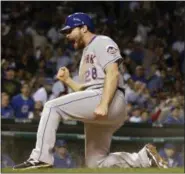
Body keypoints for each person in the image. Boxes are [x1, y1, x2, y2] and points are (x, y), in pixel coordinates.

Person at [13, 12, 167, 170]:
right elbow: (84, 90)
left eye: (70, 30)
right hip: (99, 99)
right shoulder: (86, 53)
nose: (67, 35)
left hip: (109, 98)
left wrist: (104, 104)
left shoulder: (102, 41)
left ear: (84, 28)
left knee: (52, 107)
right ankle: (143, 158)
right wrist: (68, 81)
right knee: (96, 163)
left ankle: (40, 157)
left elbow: (113, 73)